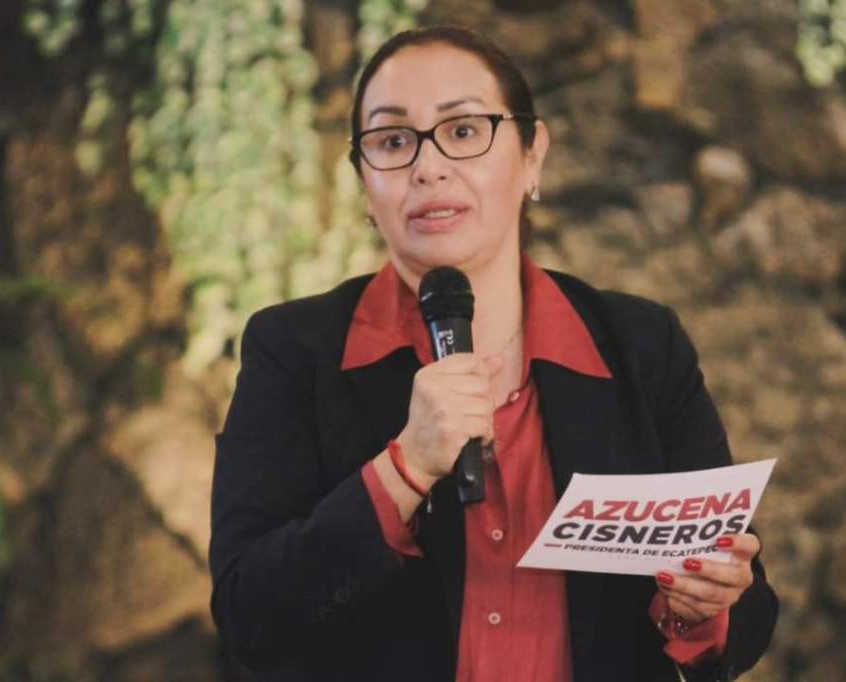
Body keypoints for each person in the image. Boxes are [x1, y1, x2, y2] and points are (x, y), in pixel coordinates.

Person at [209, 25, 778, 682]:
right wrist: (405, 468)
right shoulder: (294, 351)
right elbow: (252, 622)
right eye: (392, 141)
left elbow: (746, 615)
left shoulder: (643, 346)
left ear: (532, 156)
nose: (427, 167)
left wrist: (704, 607)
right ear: (365, 182)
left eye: (462, 130)